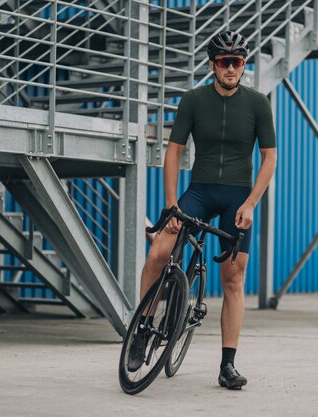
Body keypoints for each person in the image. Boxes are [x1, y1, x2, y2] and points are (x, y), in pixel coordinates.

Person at [128, 31, 277, 390]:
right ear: (212, 65)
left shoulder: (258, 103)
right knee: (158, 253)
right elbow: (174, 151)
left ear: (243, 65)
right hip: (199, 192)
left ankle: (228, 365)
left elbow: (269, 157)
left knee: (233, 279)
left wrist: (250, 204)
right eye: (224, 62)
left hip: (237, 199)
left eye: (237, 61)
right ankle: (142, 331)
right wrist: (172, 205)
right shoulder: (193, 100)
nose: (231, 68)